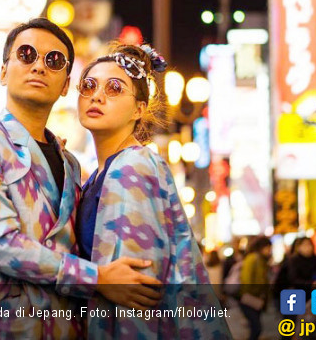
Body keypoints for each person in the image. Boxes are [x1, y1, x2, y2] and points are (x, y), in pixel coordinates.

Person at [0, 18, 161, 339]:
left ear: (64, 85)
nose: (38, 67)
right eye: (26, 54)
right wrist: (97, 278)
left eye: (54, 60)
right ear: (3, 72)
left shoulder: (71, 164)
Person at [75, 44, 231, 339]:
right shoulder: (104, 171)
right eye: (89, 85)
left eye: (115, 88)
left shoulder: (130, 167)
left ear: (139, 109)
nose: (97, 95)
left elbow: (137, 292)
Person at [238, 236, 272, 340]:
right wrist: (253, 293)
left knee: (256, 327)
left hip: (257, 298)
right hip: (250, 298)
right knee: (256, 328)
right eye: (268, 248)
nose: (269, 251)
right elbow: (246, 279)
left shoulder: (262, 260)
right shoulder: (253, 258)